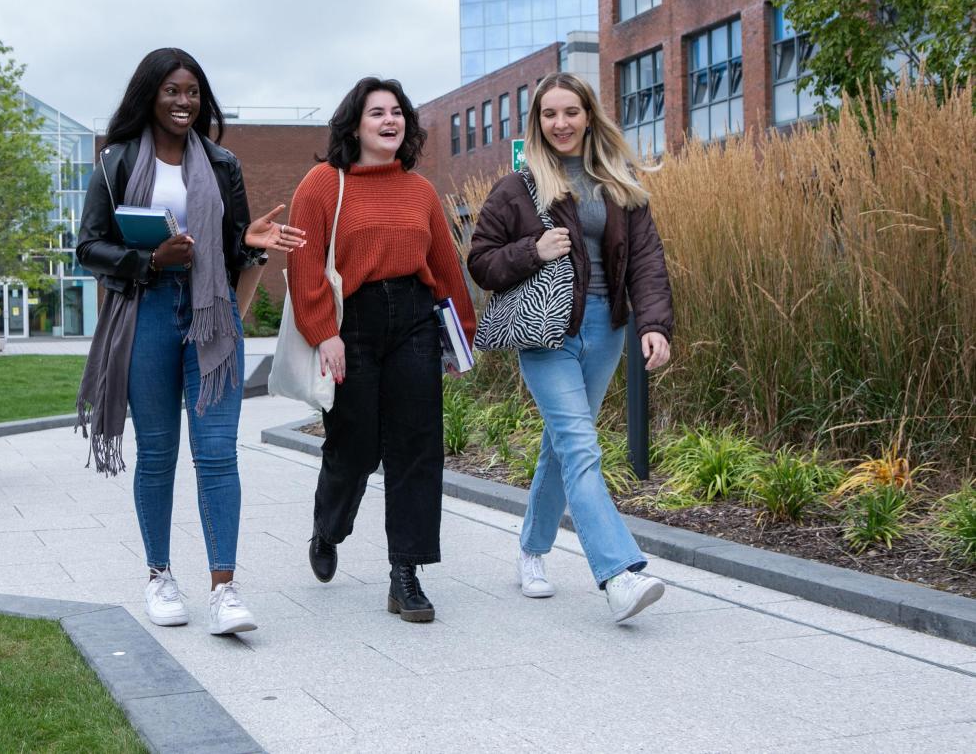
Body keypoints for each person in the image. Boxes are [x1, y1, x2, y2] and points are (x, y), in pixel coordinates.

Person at [75, 47, 306, 635]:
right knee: (157, 454)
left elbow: (233, 252)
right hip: (147, 312)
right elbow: (89, 247)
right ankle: (160, 576)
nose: (184, 101)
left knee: (218, 453)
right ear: (150, 94)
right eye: (173, 90)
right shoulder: (118, 160)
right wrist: (150, 258)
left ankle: (224, 590)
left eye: (194, 92)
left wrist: (251, 241)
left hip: (212, 316)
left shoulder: (222, 164)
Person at [467, 71, 673, 623]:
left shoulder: (618, 180)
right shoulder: (519, 187)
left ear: (589, 115)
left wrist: (653, 325)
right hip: (547, 333)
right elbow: (481, 261)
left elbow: (648, 260)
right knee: (581, 447)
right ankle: (620, 574)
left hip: (606, 328)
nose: (561, 123)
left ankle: (532, 551)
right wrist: (533, 250)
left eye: (571, 112)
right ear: (538, 122)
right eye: (549, 114)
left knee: (561, 446)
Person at [286, 77, 475, 623]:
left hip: (414, 320)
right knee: (356, 447)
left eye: (397, 112)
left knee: (417, 446)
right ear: (354, 123)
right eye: (377, 113)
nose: (390, 121)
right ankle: (329, 528)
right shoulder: (321, 185)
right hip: (353, 325)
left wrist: (459, 339)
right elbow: (303, 265)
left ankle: (405, 575)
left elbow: (444, 267)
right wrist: (324, 333)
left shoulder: (419, 191)